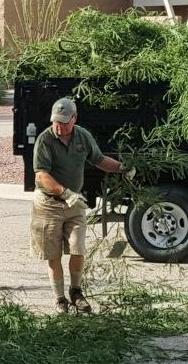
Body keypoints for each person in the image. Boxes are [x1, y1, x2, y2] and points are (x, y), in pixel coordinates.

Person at [31, 97, 133, 313]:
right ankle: (59, 299)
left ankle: (76, 292)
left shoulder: (82, 136)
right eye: (56, 121)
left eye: (65, 121)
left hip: (74, 203)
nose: (59, 126)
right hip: (48, 204)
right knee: (53, 255)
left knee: (78, 249)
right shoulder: (45, 140)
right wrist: (64, 192)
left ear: (75, 118)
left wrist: (121, 168)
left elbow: (98, 159)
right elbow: (41, 175)